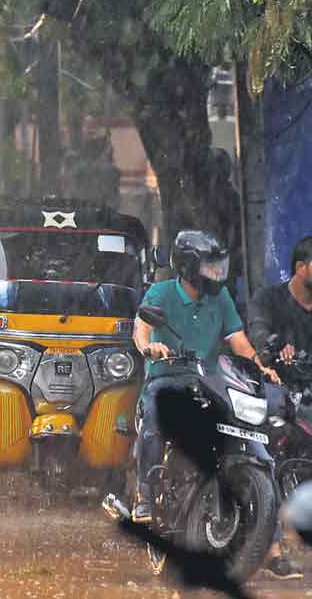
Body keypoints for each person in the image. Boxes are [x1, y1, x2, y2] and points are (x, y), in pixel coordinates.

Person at [132, 231, 294, 578]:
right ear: (189, 266)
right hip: (167, 379)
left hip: (208, 379)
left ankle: (273, 544)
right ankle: (144, 494)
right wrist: (150, 347)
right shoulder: (161, 292)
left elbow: (238, 340)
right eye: (210, 266)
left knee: (258, 449)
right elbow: (141, 328)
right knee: (156, 421)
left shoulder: (220, 301)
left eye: (220, 266)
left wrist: (259, 365)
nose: (218, 273)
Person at [244, 236, 312, 580]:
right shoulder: (269, 299)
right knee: (265, 454)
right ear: (301, 268)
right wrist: (269, 349)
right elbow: (256, 329)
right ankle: (269, 548)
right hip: (276, 389)